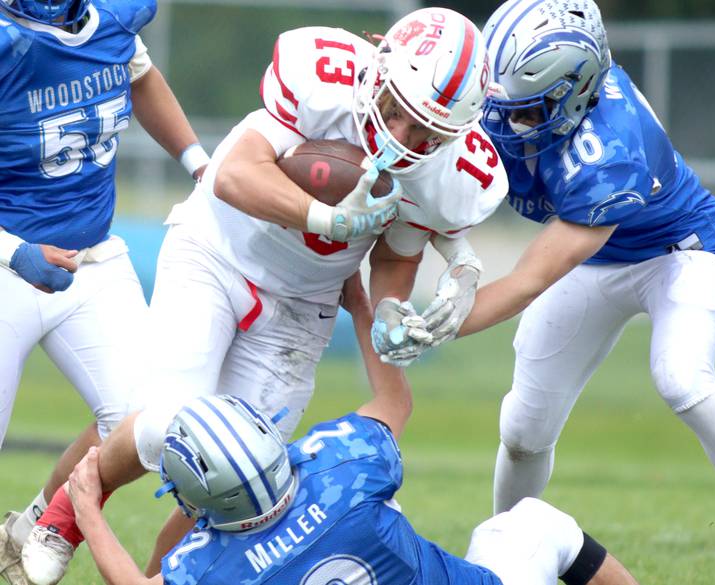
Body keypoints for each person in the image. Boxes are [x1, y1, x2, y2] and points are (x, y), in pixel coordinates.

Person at [21, 7, 508, 585]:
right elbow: (234, 174)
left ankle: (159, 579)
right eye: (398, 112)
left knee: (240, 484)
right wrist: (325, 216)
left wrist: (392, 309)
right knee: (166, 418)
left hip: (305, 305)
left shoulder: (456, 172)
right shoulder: (322, 75)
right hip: (217, 250)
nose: (403, 139)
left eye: (426, 131)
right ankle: (60, 520)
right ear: (378, 68)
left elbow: (397, 255)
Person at [376, 1, 715, 582]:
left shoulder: (607, 154)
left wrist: (440, 326)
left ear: (571, 98)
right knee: (524, 431)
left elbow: (531, 277)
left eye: (523, 111)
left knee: (682, 378)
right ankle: (508, 554)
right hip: (599, 257)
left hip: (678, 249)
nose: (502, 120)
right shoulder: (520, 92)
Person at [65, 272, 640, 585]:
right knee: (535, 523)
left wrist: (88, 510)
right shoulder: (345, 468)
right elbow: (395, 398)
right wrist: (363, 308)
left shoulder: (209, 566)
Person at [0, 0, 209, 582]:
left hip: (95, 258)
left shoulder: (110, 22)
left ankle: (38, 526)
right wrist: (13, 250)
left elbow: (138, 77)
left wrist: (199, 165)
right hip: (5, 260)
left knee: (148, 422)